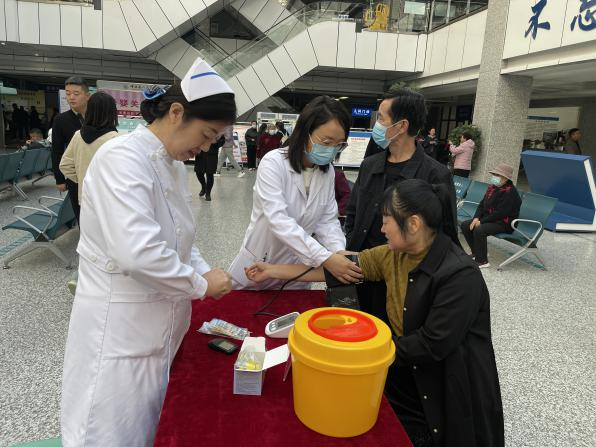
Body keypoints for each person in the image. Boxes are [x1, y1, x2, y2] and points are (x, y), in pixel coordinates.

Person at [246, 179, 505, 447]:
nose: (381, 229)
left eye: (386, 221)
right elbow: (339, 268)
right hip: (405, 370)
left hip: (444, 389)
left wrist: (357, 356)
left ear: (413, 224)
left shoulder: (459, 275)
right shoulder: (395, 255)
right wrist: (272, 271)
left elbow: (431, 344)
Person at [60, 58, 235, 447]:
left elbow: (181, 239)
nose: (207, 146)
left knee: (148, 427)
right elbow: (137, 252)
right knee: (108, 431)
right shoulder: (121, 158)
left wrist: (204, 270)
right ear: (176, 113)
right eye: (207, 134)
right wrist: (200, 284)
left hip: (158, 329)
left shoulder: (170, 164)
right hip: (119, 332)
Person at [345, 88, 458, 320]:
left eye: (381, 118)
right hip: (361, 272)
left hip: (404, 281)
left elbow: (445, 235)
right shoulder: (369, 165)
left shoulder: (435, 175)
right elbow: (353, 212)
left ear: (402, 125)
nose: (376, 125)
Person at [228, 95, 362, 290]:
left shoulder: (326, 172)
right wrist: (325, 258)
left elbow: (327, 221)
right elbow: (278, 220)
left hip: (296, 272)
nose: (332, 150)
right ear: (305, 132)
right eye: (326, 142)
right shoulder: (273, 163)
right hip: (259, 264)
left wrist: (338, 252)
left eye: (339, 144)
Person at [59, 92, 119, 204]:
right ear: (112, 112)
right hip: (109, 198)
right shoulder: (116, 138)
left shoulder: (78, 135)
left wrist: (82, 179)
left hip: (85, 197)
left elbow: (65, 165)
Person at [460, 163, 521, 269]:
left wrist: (481, 222)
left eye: (498, 175)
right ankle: (477, 253)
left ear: (506, 178)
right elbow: (482, 204)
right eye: (494, 174)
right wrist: (476, 218)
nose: (495, 177)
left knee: (480, 229)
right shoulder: (493, 187)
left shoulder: (510, 192)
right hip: (490, 219)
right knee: (466, 225)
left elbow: (501, 213)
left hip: (504, 223)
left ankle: (482, 261)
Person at [52, 76, 91, 221]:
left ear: (87, 95)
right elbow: (56, 150)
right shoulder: (61, 120)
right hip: (75, 175)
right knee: (80, 214)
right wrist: (59, 179)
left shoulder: (97, 116)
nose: (71, 97)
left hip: (97, 172)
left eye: (76, 93)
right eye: (68, 93)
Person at [195, 133, 223, 201]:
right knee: (198, 172)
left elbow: (222, 141)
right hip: (200, 154)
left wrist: (216, 141)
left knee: (210, 174)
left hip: (212, 154)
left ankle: (208, 193)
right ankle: (204, 186)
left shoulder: (219, 130)